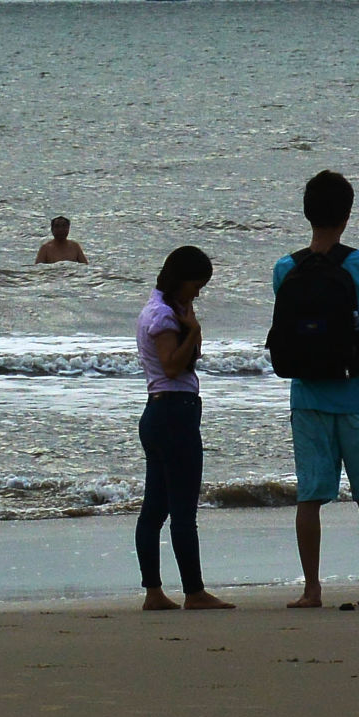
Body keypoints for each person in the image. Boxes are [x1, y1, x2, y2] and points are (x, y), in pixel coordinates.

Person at [269, 169, 359, 608]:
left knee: (310, 496)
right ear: (347, 214)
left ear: (307, 214)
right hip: (357, 395)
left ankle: (312, 589)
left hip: (307, 397)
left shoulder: (286, 267)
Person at [135, 245, 232, 611]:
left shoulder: (162, 308)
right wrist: (193, 329)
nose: (198, 292)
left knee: (156, 509)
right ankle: (193, 591)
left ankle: (154, 592)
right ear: (181, 280)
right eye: (196, 285)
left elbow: (189, 356)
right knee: (181, 511)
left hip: (161, 413)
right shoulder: (162, 316)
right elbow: (173, 365)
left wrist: (191, 326)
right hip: (174, 412)